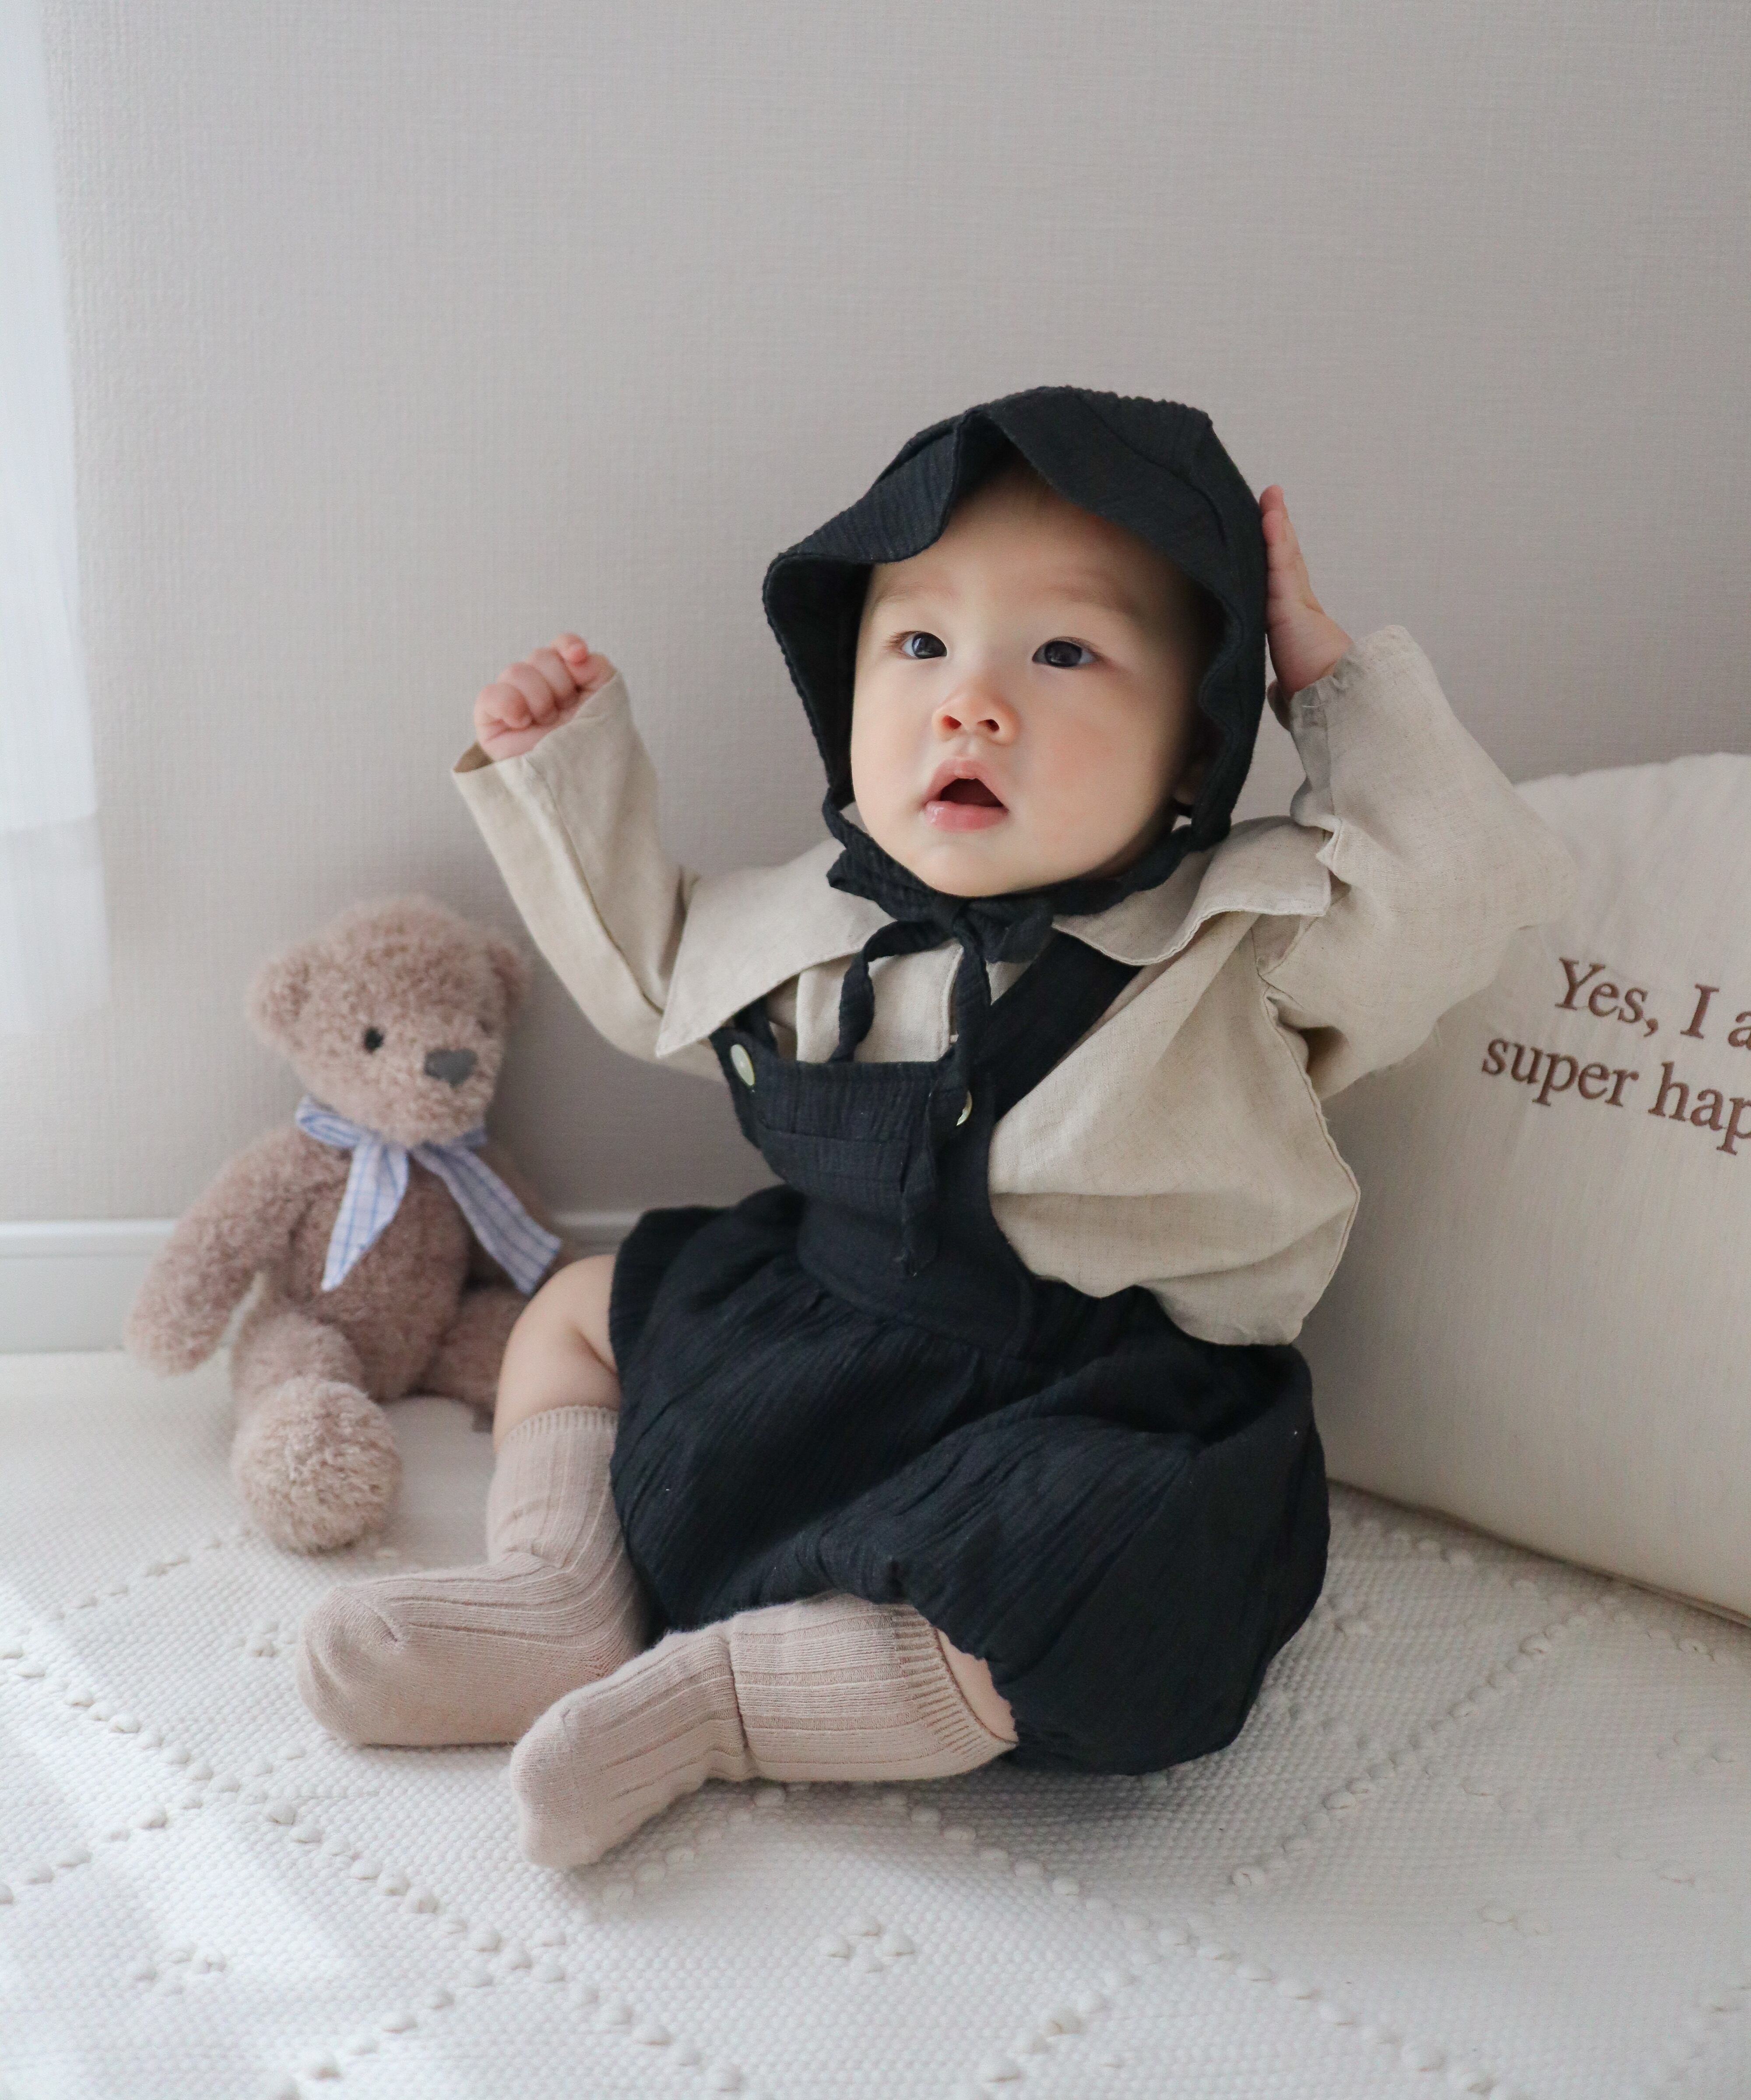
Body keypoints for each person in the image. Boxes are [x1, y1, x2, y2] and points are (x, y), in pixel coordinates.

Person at [295, 387, 1575, 1868]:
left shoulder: (1248, 939)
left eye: (1065, 652)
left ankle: (726, 1704)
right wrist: (569, 767)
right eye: (918, 646)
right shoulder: (820, 921)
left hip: (1088, 1398)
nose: (972, 702)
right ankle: (560, 1592)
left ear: (1195, 745)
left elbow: (1459, 888)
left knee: (1094, 1577)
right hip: (826, 1321)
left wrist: (1330, 685)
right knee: (578, 1308)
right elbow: (652, 971)